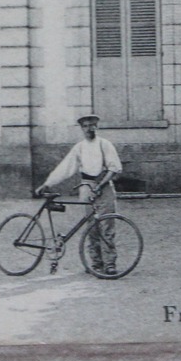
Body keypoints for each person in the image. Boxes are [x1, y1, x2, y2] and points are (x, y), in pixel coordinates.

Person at [38, 114, 123, 275]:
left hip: (104, 186)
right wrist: (47, 183)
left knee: (107, 225)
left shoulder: (105, 145)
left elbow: (114, 168)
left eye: (92, 125)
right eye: (85, 126)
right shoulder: (80, 147)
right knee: (91, 226)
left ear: (97, 126)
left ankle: (110, 263)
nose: (89, 129)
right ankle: (95, 262)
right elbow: (66, 167)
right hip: (86, 187)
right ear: (81, 128)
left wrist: (101, 185)